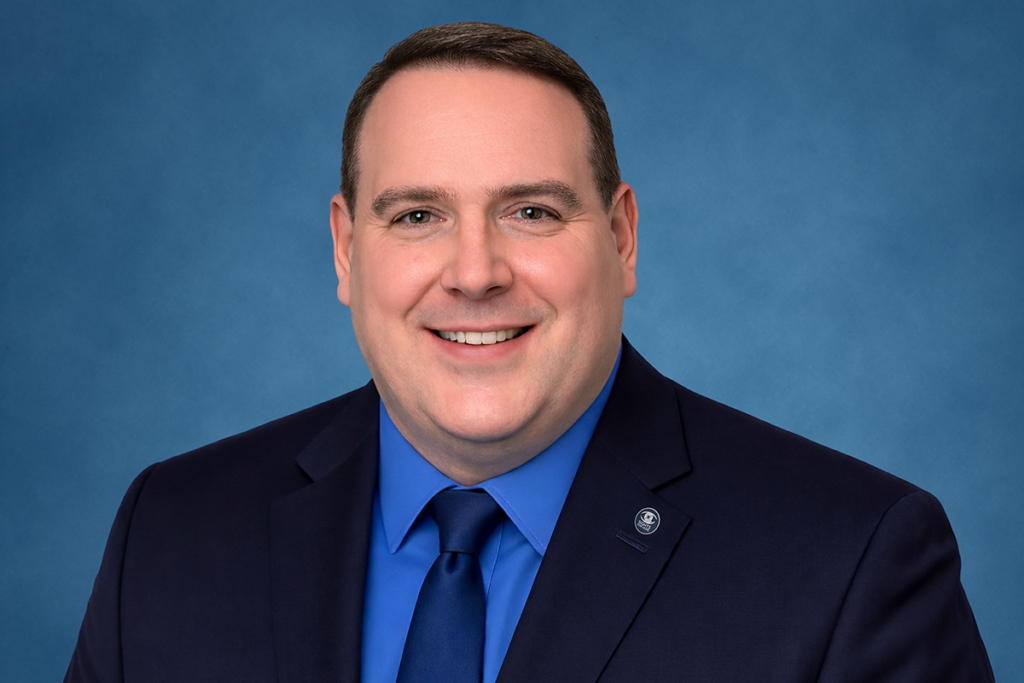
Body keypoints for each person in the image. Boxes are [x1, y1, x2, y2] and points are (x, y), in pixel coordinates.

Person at [65, 22, 994, 683]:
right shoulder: (172, 532)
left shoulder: (850, 562)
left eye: (532, 211)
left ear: (622, 239)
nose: (475, 272)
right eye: (418, 215)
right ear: (348, 251)